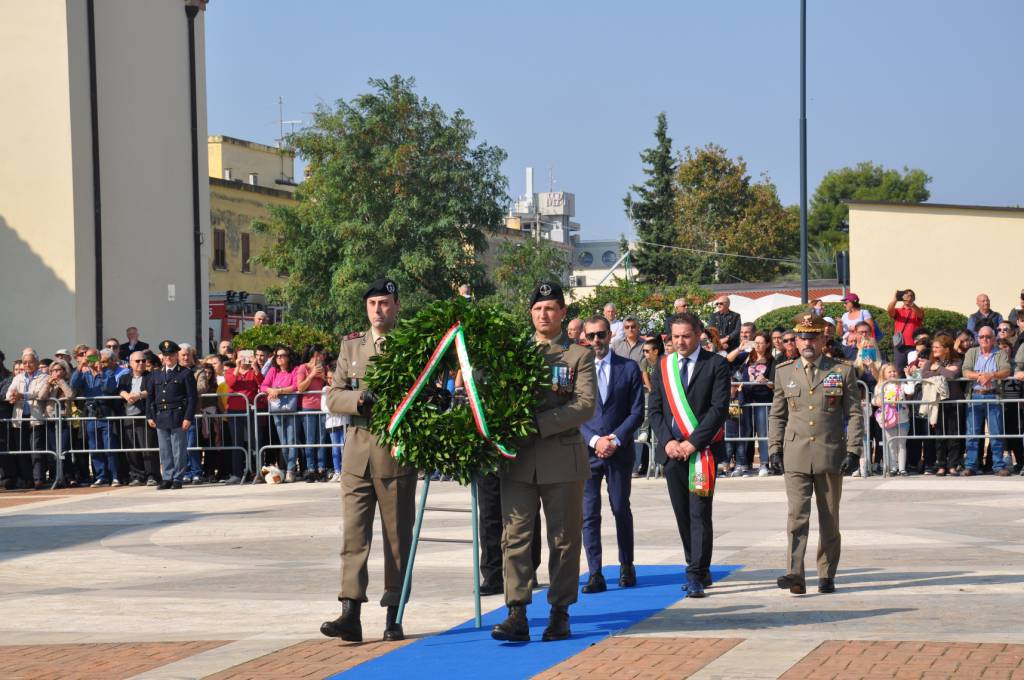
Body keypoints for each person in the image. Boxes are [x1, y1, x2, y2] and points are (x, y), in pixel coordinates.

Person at [490, 281, 595, 643]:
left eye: (550, 308)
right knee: (515, 537)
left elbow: (584, 405)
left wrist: (536, 424)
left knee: (564, 540)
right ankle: (516, 611)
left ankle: (559, 611)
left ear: (563, 313)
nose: (543, 314)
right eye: (537, 309)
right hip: (518, 461)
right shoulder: (514, 352)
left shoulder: (578, 355)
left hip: (562, 460)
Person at [321, 278, 417, 644]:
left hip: (395, 453)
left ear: (396, 305)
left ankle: (394, 613)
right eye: (373, 303)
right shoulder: (351, 346)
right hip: (357, 452)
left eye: (385, 302)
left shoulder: (410, 344)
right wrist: (360, 400)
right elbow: (333, 396)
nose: (378, 309)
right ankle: (350, 612)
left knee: (397, 540)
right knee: (353, 538)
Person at [768, 313, 864, 594]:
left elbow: (855, 414)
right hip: (795, 453)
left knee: (829, 518)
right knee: (796, 516)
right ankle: (795, 574)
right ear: (795, 342)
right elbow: (777, 415)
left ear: (824, 339)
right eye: (801, 337)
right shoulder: (785, 371)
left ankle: (826, 573)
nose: (807, 342)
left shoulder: (842, 371)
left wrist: (854, 450)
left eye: (812, 336)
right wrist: (774, 448)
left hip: (830, 452)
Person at [648, 312, 730, 598]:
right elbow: (655, 409)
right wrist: (668, 442)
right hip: (672, 453)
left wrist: (692, 443)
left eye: (686, 336)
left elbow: (718, 409)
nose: (680, 342)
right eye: (675, 337)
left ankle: (695, 573)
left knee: (699, 513)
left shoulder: (716, 365)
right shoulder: (663, 366)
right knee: (682, 513)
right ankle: (697, 564)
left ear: (698, 335)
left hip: (701, 452)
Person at [579, 315, 644, 595]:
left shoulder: (628, 368)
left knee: (620, 508)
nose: (597, 341)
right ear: (585, 338)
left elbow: (637, 411)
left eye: (601, 335)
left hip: (619, 451)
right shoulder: (578, 371)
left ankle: (626, 565)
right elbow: (572, 412)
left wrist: (615, 439)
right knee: (589, 515)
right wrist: (594, 440)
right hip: (587, 452)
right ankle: (595, 572)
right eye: (591, 336)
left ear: (610, 336)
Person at [146, 340, 198, 490]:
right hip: (161, 415)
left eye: (171, 355)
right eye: (165, 355)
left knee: (178, 449)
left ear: (176, 356)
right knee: (165, 450)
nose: (168, 357)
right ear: (162, 356)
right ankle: (167, 477)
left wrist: (188, 417)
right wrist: (150, 416)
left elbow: (191, 398)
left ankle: (177, 478)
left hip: (178, 415)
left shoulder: (185, 373)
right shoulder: (156, 374)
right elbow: (150, 396)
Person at [961, 326, 1012, 476]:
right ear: (978, 338)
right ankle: (970, 465)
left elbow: (1006, 370)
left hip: (993, 396)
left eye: (988, 337)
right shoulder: (972, 352)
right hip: (975, 396)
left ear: (994, 339)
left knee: (996, 434)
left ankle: (998, 465)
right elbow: (965, 370)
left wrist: (991, 375)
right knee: (972, 434)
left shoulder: (1000, 353)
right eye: (982, 337)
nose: (985, 339)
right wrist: (980, 376)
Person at [70, 347, 121, 487]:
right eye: (88, 357)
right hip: (91, 413)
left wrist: (100, 372)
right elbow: (73, 384)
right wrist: (80, 366)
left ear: (99, 358)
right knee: (95, 447)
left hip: (105, 412)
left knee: (110, 447)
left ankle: (114, 476)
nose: (91, 361)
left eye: (93, 358)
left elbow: (109, 388)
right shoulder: (84, 374)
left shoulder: (107, 372)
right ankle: (101, 476)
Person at [5, 349, 51, 489]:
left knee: (35, 450)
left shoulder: (43, 376)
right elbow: (9, 391)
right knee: (22, 450)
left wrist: (22, 396)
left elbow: (38, 393)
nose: (27, 365)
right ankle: (27, 479)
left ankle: (38, 478)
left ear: (37, 362)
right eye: (25, 362)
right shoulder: (18, 377)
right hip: (19, 418)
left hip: (35, 417)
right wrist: (11, 396)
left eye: (30, 362)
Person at [921, 334, 964, 476]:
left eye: (937, 347)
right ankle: (941, 465)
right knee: (939, 435)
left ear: (946, 349)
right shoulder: (929, 361)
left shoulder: (957, 360)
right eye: (933, 347)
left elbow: (953, 375)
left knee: (954, 435)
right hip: (938, 403)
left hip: (954, 402)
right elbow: (924, 375)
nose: (934, 350)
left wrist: (938, 369)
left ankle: (952, 465)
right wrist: (943, 370)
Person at [117, 351, 159, 486]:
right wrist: (125, 394)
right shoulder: (125, 378)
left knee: (147, 447)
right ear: (130, 363)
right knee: (132, 448)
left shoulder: (151, 376)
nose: (141, 363)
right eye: (137, 361)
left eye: (143, 360)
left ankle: (152, 475)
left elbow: (152, 391)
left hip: (143, 415)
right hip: (128, 416)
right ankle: (136, 475)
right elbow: (119, 389)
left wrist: (139, 395)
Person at [737, 331, 775, 477]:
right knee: (746, 433)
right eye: (755, 342)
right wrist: (741, 348)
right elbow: (729, 361)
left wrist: (765, 381)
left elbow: (774, 383)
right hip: (747, 399)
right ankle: (744, 464)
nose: (757, 345)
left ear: (767, 344)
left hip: (763, 400)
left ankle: (764, 463)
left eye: (760, 342)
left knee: (763, 432)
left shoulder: (772, 360)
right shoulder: (748, 357)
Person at [261, 346, 300, 481]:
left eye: (282, 355)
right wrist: (271, 390)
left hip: (291, 409)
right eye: (277, 356)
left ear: (289, 357)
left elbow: (296, 386)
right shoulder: (273, 370)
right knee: (283, 441)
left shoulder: (294, 370)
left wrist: (280, 391)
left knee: (292, 440)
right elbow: (263, 386)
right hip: (277, 409)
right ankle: (285, 468)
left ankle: (291, 469)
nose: (279, 358)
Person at [224, 352, 261, 484]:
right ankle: (237, 473)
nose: (244, 358)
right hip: (234, 410)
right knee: (236, 442)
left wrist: (255, 367)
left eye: (247, 355)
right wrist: (237, 367)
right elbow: (231, 383)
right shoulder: (230, 371)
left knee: (254, 441)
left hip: (250, 409)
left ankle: (256, 472)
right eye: (241, 356)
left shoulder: (254, 371)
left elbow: (261, 383)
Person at [296, 344, 330, 482]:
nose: (324, 357)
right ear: (315, 354)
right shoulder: (303, 368)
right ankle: (310, 469)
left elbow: (332, 383)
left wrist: (323, 377)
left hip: (322, 406)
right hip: (308, 407)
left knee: (321, 438)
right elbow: (300, 387)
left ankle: (321, 468)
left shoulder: (325, 368)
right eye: (322, 354)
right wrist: (311, 375)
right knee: (310, 439)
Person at [873, 364, 911, 475]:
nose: (892, 373)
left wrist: (908, 376)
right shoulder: (880, 386)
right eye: (889, 372)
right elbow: (874, 400)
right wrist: (877, 402)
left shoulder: (902, 384)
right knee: (891, 444)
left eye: (894, 371)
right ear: (883, 374)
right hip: (888, 419)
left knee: (901, 444)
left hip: (903, 418)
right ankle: (893, 467)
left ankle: (902, 468)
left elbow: (911, 390)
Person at [887, 289, 923, 373]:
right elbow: (889, 310)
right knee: (899, 370)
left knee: (914, 370)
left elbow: (920, 314)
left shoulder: (917, 310)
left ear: (914, 298)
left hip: (914, 345)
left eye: (910, 295)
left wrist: (911, 304)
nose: (908, 297)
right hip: (900, 345)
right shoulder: (898, 311)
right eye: (905, 295)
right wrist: (895, 298)